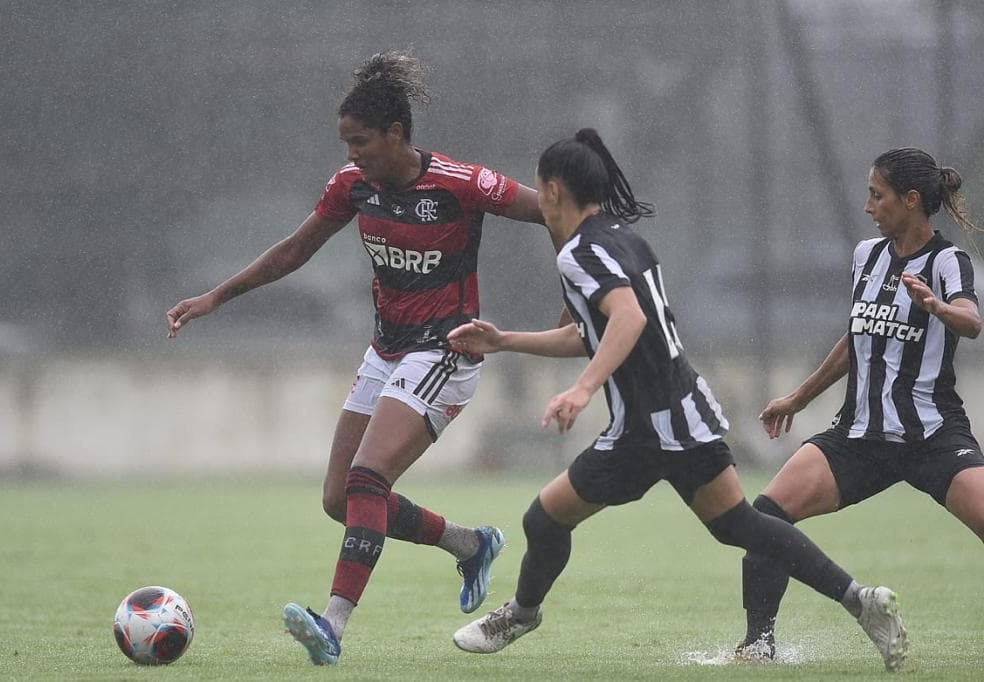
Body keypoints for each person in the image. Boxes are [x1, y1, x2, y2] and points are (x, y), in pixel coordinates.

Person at [448, 129, 907, 672]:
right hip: (687, 410)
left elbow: (628, 318)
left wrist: (583, 388)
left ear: (551, 190)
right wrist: (504, 340)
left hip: (645, 428)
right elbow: (595, 333)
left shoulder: (578, 253)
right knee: (738, 525)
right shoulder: (624, 238)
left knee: (544, 519)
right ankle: (861, 601)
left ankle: (521, 615)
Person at [166, 51, 546, 666]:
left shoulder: (461, 183)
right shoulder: (353, 185)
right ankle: (471, 544)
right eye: (346, 142)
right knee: (340, 500)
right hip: (386, 351)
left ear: (396, 134)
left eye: (360, 141)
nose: (352, 154)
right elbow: (295, 250)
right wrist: (218, 296)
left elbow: (553, 212)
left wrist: (580, 291)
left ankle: (333, 626)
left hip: (445, 351)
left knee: (368, 478)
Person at [735, 147, 982, 662]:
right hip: (859, 436)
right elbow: (857, 339)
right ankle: (758, 646)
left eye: (877, 195)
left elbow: (971, 320)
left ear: (910, 200)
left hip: (933, 435)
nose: (868, 206)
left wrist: (937, 307)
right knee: (766, 517)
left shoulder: (947, 261)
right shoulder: (866, 255)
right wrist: (798, 397)